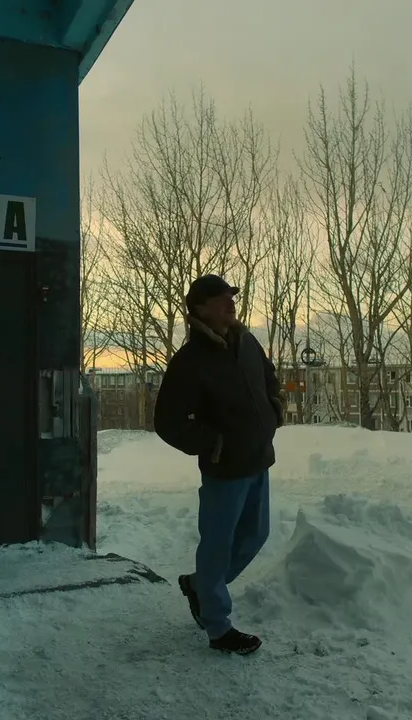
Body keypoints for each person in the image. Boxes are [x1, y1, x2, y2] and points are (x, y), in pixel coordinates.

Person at [153, 274, 284, 655]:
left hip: (258, 459)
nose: (231, 303)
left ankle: (200, 586)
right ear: (200, 308)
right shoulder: (190, 361)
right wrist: (213, 444)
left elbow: (269, 378)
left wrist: (274, 409)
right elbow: (168, 422)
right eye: (221, 298)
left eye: (232, 296)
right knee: (217, 546)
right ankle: (217, 626)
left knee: (255, 536)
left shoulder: (247, 343)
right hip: (224, 470)